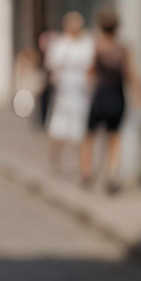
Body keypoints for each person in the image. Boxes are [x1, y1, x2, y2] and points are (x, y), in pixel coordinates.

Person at [80, 6, 141, 192]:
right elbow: (132, 75)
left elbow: (90, 71)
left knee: (89, 136)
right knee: (114, 137)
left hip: (100, 95)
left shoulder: (98, 46)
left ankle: (86, 172)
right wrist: (140, 98)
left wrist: (88, 90)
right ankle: (111, 173)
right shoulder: (123, 49)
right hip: (117, 96)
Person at [44, 11, 94, 173]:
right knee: (58, 129)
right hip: (64, 92)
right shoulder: (60, 44)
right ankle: (54, 159)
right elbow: (52, 64)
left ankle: (81, 163)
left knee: (80, 131)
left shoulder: (86, 43)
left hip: (81, 93)